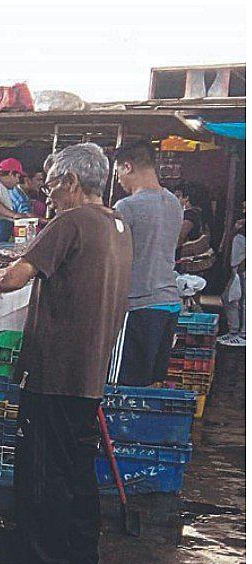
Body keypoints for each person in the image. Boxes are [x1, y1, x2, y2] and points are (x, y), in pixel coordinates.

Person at [0, 143, 132, 564]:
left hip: (56, 373)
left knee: (44, 474)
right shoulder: (115, 225)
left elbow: (16, 276)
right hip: (89, 373)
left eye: (52, 184)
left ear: (72, 182)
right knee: (76, 471)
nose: (47, 194)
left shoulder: (70, 222)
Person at [110, 142, 183, 386]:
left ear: (128, 167)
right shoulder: (173, 202)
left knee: (124, 385)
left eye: (118, 171)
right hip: (169, 304)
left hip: (139, 307)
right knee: (152, 384)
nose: (119, 179)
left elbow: (115, 256)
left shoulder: (126, 207)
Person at [220, 215, 246, 346]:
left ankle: (243, 334)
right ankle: (235, 331)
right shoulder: (240, 230)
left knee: (242, 301)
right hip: (238, 270)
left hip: (242, 270)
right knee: (231, 299)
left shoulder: (242, 233)